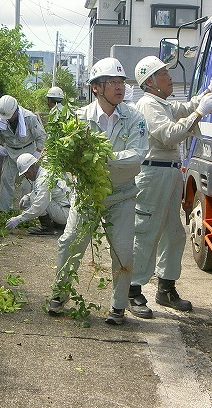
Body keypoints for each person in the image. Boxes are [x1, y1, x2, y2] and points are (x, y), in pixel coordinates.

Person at [48, 57, 148, 325]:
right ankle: (59, 294)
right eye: (112, 82)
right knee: (70, 242)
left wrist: (104, 157)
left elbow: (138, 155)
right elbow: (64, 156)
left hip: (122, 195)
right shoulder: (78, 119)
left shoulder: (135, 118)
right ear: (96, 87)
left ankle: (118, 307)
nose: (119, 87)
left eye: (122, 82)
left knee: (123, 252)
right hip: (86, 195)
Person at [128, 55, 212, 318]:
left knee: (174, 233)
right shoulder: (148, 105)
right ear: (150, 82)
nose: (170, 77)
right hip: (153, 174)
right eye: (164, 74)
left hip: (168, 174)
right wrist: (200, 111)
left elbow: (185, 109)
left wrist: (207, 92)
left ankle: (166, 288)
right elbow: (169, 134)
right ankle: (133, 290)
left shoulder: (161, 103)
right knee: (146, 231)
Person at [0, 95, 47, 212]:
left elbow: (41, 136)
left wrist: (38, 152)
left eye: (10, 116)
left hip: (28, 151)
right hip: (10, 151)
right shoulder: (0, 116)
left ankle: (27, 210)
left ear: (16, 110)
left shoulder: (29, 118)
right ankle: (5, 210)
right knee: (6, 179)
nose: (8, 119)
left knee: (28, 182)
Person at [5, 153, 71, 235]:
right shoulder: (45, 171)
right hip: (68, 211)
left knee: (35, 197)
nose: (27, 176)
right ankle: (58, 224)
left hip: (65, 214)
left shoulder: (43, 180)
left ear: (35, 166)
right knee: (34, 196)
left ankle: (46, 227)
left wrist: (19, 219)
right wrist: (27, 196)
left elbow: (38, 206)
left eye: (27, 172)